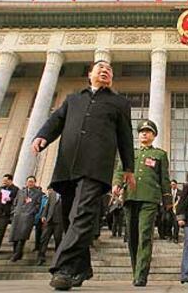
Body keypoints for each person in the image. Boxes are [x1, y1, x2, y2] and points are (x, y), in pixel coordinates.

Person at [32, 59, 135, 290]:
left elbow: (125, 137)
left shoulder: (119, 103)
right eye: (100, 67)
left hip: (96, 167)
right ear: (90, 74)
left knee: (82, 215)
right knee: (70, 218)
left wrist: (129, 167)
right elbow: (56, 121)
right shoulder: (73, 99)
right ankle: (83, 267)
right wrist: (42, 136)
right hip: (68, 165)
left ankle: (64, 269)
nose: (105, 70)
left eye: (109, 69)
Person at [112, 119, 170, 287]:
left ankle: (141, 275)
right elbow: (120, 170)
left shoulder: (159, 154)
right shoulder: (130, 153)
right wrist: (116, 184)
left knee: (145, 234)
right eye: (142, 131)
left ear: (153, 135)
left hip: (149, 198)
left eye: (148, 131)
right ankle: (135, 270)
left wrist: (167, 199)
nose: (144, 133)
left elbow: (164, 178)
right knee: (132, 236)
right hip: (130, 197)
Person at [9, 176, 42, 262]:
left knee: (22, 236)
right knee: (15, 235)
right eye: (29, 181)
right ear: (26, 182)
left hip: (28, 217)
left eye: (32, 182)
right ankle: (17, 253)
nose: (30, 183)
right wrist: (14, 211)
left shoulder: (38, 193)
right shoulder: (21, 191)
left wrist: (32, 212)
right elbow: (15, 202)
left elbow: (38, 205)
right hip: (18, 215)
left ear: (34, 183)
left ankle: (17, 254)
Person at [37, 187, 63, 266]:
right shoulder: (52, 193)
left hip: (59, 221)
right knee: (44, 239)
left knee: (58, 239)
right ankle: (41, 257)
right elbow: (47, 205)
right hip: (49, 220)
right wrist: (44, 215)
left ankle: (58, 258)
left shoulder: (67, 195)